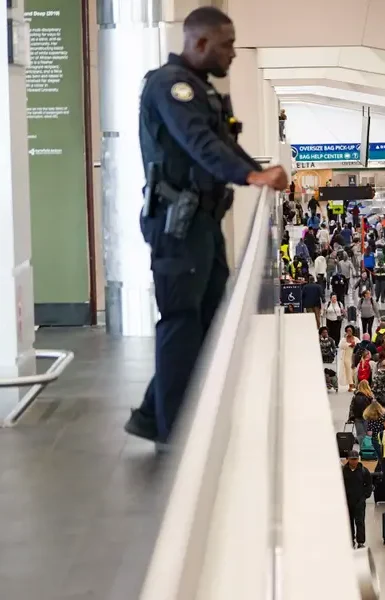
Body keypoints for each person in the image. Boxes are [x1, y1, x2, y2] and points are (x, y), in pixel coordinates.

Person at [125, 6, 290, 444]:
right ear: (199, 43)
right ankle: (174, 434)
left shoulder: (201, 90)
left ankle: (150, 413)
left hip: (202, 224)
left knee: (205, 318)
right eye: (227, 44)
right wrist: (253, 177)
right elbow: (199, 146)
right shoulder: (171, 87)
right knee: (181, 321)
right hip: (178, 227)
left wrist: (257, 169)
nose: (233, 54)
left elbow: (222, 144)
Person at [342, 450, 373, 549]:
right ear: (348, 459)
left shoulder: (364, 471)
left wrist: (365, 496)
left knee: (360, 522)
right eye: (352, 459)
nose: (354, 461)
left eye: (356, 459)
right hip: (347, 501)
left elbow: (369, 485)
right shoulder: (343, 471)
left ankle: (360, 541)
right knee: (348, 522)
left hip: (360, 501)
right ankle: (350, 539)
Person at [347, 380, 375, 446]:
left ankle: (362, 448)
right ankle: (368, 449)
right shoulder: (370, 396)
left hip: (357, 418)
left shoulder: (355, 395)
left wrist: (350, 417)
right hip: (367, 418)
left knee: (360, 435)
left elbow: (351, 407)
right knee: (368, 434)